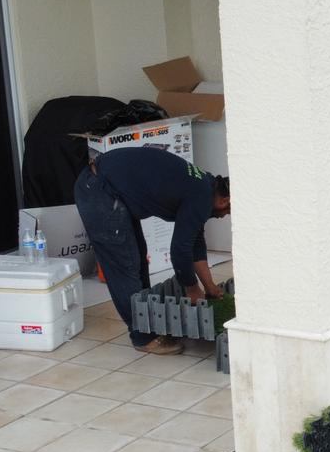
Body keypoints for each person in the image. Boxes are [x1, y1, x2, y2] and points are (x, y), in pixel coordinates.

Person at [75, 148, 230, 355]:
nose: (224, 217)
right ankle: (143, 337)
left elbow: (195, 242)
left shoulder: (205, 187)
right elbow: (180, 249)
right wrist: (192, 289)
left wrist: (209, 286)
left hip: (110, 187)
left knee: (138, 256)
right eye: (228, 212)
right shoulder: (201, 195)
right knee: (125, 265)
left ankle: (147, 323)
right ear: (224, 201)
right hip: (99, 190)